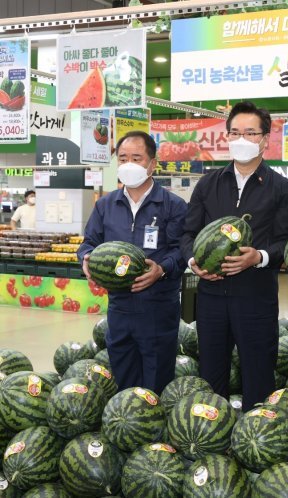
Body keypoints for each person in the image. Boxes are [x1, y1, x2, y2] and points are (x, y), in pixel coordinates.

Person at [181, 101, 288, 411]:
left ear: (265, 140)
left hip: (255, 296)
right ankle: (211, 438)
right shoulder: (207, 184)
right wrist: (194, 262)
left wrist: (258, 256)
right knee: (211, 373)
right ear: (227, 137)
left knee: (258, 373)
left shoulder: (282, 188)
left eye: (250, 133)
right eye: (235, 132)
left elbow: (287, 241)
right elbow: (187, 234)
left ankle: (256, 439)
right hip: (210, 297)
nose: (241, 139)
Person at [78, 131, 187, 394]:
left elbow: (182, 251)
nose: (128, 164)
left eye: (136, 158)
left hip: (158, 307)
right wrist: (86, 259)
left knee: (156, 381)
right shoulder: (106, 205)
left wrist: (162, 270)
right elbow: (88, 243)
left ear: (152, 164)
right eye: (123, 158)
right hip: (120, 307)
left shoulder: (173, 205)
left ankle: (154, 432)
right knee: (124, 378)